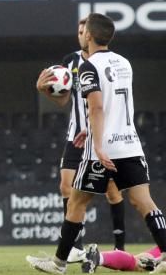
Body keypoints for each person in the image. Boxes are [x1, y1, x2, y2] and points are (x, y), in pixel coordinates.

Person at [28, 13, 166, 275]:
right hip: (130, 144)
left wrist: (97, 144)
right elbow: (113, 105)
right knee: (144, 201)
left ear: (89, 35)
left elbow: (97, 105)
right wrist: (88, 128)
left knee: (76, 203)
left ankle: (59, 263)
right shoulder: (125, 63)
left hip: (102, 149)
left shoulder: (88, 66)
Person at [35, 18, 127, 262]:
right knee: (66, 185)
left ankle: (120, 247)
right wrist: (44, 89)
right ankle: (75, 247)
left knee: (111, 190)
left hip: (102, 133)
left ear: (91, 34)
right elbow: (64, 100)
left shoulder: (107, 62)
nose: (80, 35)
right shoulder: (70, 61)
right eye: (78, 31)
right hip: (75, 133)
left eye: (83, 31)